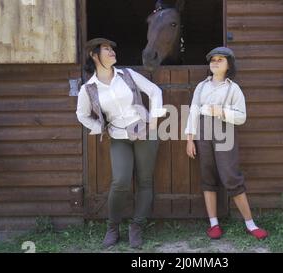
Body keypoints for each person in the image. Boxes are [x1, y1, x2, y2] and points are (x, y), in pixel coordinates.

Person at [76, 38, 166, 248]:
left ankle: (136, 227)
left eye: (112, 48)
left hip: (145, 133)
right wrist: (101, 127)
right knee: (120, 182)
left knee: (145, 181)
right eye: (106, 49)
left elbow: (155, 91)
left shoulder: (127, 75)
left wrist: (153, 121)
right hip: (118, 138)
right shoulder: (88, 89)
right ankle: (112, 228)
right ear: (94, 55)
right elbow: (81, 115)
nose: (112, 52)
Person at [185, 47, 269, 240]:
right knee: (207, 175)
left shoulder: (233, 89)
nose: (215, 62)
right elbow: (193, 112)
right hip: (203, 132)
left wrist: (221, 112)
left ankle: (250, 224)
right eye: (213, 59)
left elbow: (241, 117)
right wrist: (190, 139)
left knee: (230, 176)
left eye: (220, 59)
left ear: (228, 64)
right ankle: (214, 224)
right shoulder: (201, 86)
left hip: (224, 131)